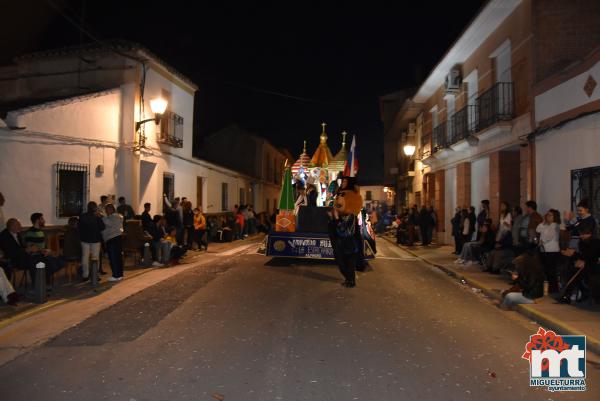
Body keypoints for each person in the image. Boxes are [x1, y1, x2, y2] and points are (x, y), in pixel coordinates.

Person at [559, 225, 600, 304]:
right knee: (572, 269)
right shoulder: (582, 243)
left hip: (594, 265)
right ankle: (568, 294)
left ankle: (568, 294)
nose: (581, 236)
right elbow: (583, 255)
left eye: (584, 234)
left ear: (590, 234)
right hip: (585, 264)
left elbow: (593, 256)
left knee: (579, 273)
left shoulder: (596, 242)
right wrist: (575, 256)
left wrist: (584, 262)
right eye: (581, 234)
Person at [22, 212, 64, 283]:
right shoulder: (30, 232)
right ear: (37, 220)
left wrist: (49, 251)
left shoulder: (41, 231)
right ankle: (43, 281)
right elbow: (32, 247)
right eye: (42, 219)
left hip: (43, 253)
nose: (44, 220)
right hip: (35, 256)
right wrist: (44, 251)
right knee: (49, 263)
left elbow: (44, 246)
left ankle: (45, 278)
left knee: (61, 259)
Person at [78, 201, 105, 281]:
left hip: (85, 240)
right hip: (95, 240)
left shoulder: (82, 216)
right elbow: (102, 227)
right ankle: (95, 275)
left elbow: (79, 228)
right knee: (95, 258)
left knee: (85, 258)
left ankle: (85, 275)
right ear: (95, 208)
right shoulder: (97, 217)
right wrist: (100, 218)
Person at [536, 209, 561, 294]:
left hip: (552, 251)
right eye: (547, 215)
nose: (548, 217)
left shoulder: (555, 225)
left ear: (555, 217)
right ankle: (549, 289)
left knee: (551, 271)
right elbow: (537, 229)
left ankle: (554, 289)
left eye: (550, 215)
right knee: (546, 270)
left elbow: (549, 236)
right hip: (544, 250)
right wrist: (543, 222)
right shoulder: (546, 225)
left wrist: (542, 241)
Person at [101, 204, 124, 281]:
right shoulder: (115, 216)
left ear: (111, 209)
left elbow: (110, 224)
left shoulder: (115, 217)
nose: (106, 212)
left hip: (113, 239)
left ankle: (116, 275)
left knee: (113, 258)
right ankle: (119, 275)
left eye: (107, 210)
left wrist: (102, 217)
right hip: (115, 239)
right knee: (117, 257)